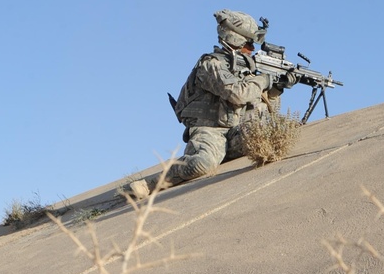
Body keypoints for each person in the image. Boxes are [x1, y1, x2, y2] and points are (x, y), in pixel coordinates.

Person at [124, 10, 297, 198]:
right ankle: (148, 185)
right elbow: (237, 94)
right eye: (249, 43)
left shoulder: (246, 71)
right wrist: (265, 80)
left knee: (266, 140)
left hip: (236, 130)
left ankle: (220, 154)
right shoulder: (211, 64)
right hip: (209, 130)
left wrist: (277, 88)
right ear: (236, 41)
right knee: (202, 164)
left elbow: (264, 105)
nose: (253, 49)